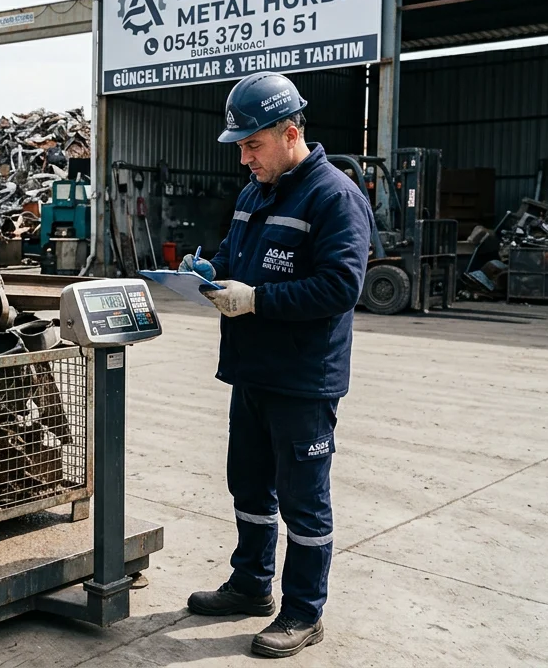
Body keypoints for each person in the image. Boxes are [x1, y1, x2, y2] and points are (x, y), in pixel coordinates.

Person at [181, 72, 372, 659]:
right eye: (239, 146)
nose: (244, 158)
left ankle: (303, 611)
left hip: (302, 379)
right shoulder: (254, 192)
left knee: (303, 500)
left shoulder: (334, 196)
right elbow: (236, 255)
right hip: (252, 370)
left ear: (291, 133)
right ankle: (250, 585)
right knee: (249, 484)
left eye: (252, 145)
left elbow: (341, 286)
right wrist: (207, 269)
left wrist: (257, 299)